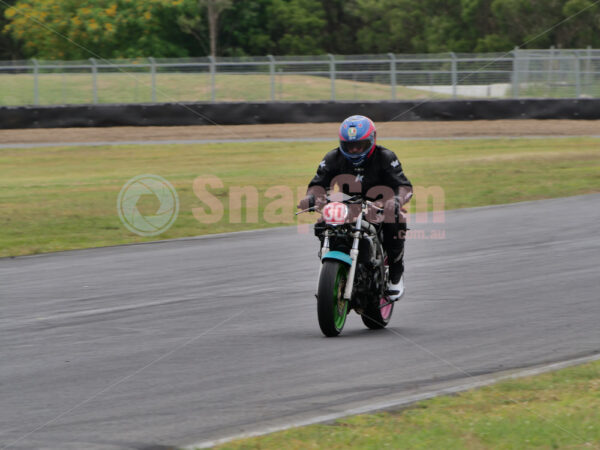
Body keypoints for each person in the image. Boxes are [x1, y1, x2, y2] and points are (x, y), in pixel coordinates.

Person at [298, 115, 413, 300]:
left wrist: (395, 201)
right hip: (348, 205)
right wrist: (312, 198)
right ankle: (332, 271)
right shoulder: (333, 157)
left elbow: (404, 186)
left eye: (360, 145)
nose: (354, 150)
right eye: (349, 146)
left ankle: (395, 274)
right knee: (322, 223)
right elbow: (318, 183)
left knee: (397, 220)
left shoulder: (385, 157)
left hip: (380, 205)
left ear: (372, 140)